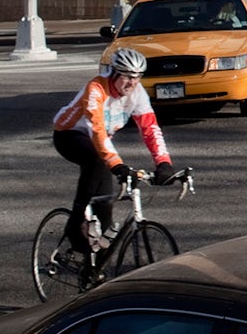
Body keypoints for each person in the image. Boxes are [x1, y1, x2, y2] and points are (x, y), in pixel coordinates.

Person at [52, 45, 180, 256]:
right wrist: (117, 165)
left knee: (106, 209)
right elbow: (97, 130)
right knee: (96, 160)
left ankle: (95, 271)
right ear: (114, 73)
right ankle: (74, 226)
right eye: (127, 77)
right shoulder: (96, 88)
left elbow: (150, 128)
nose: (132, 83)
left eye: (137, 77)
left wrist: (164, 163)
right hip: (70, 135)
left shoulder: (137, 93)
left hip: (98, 143)